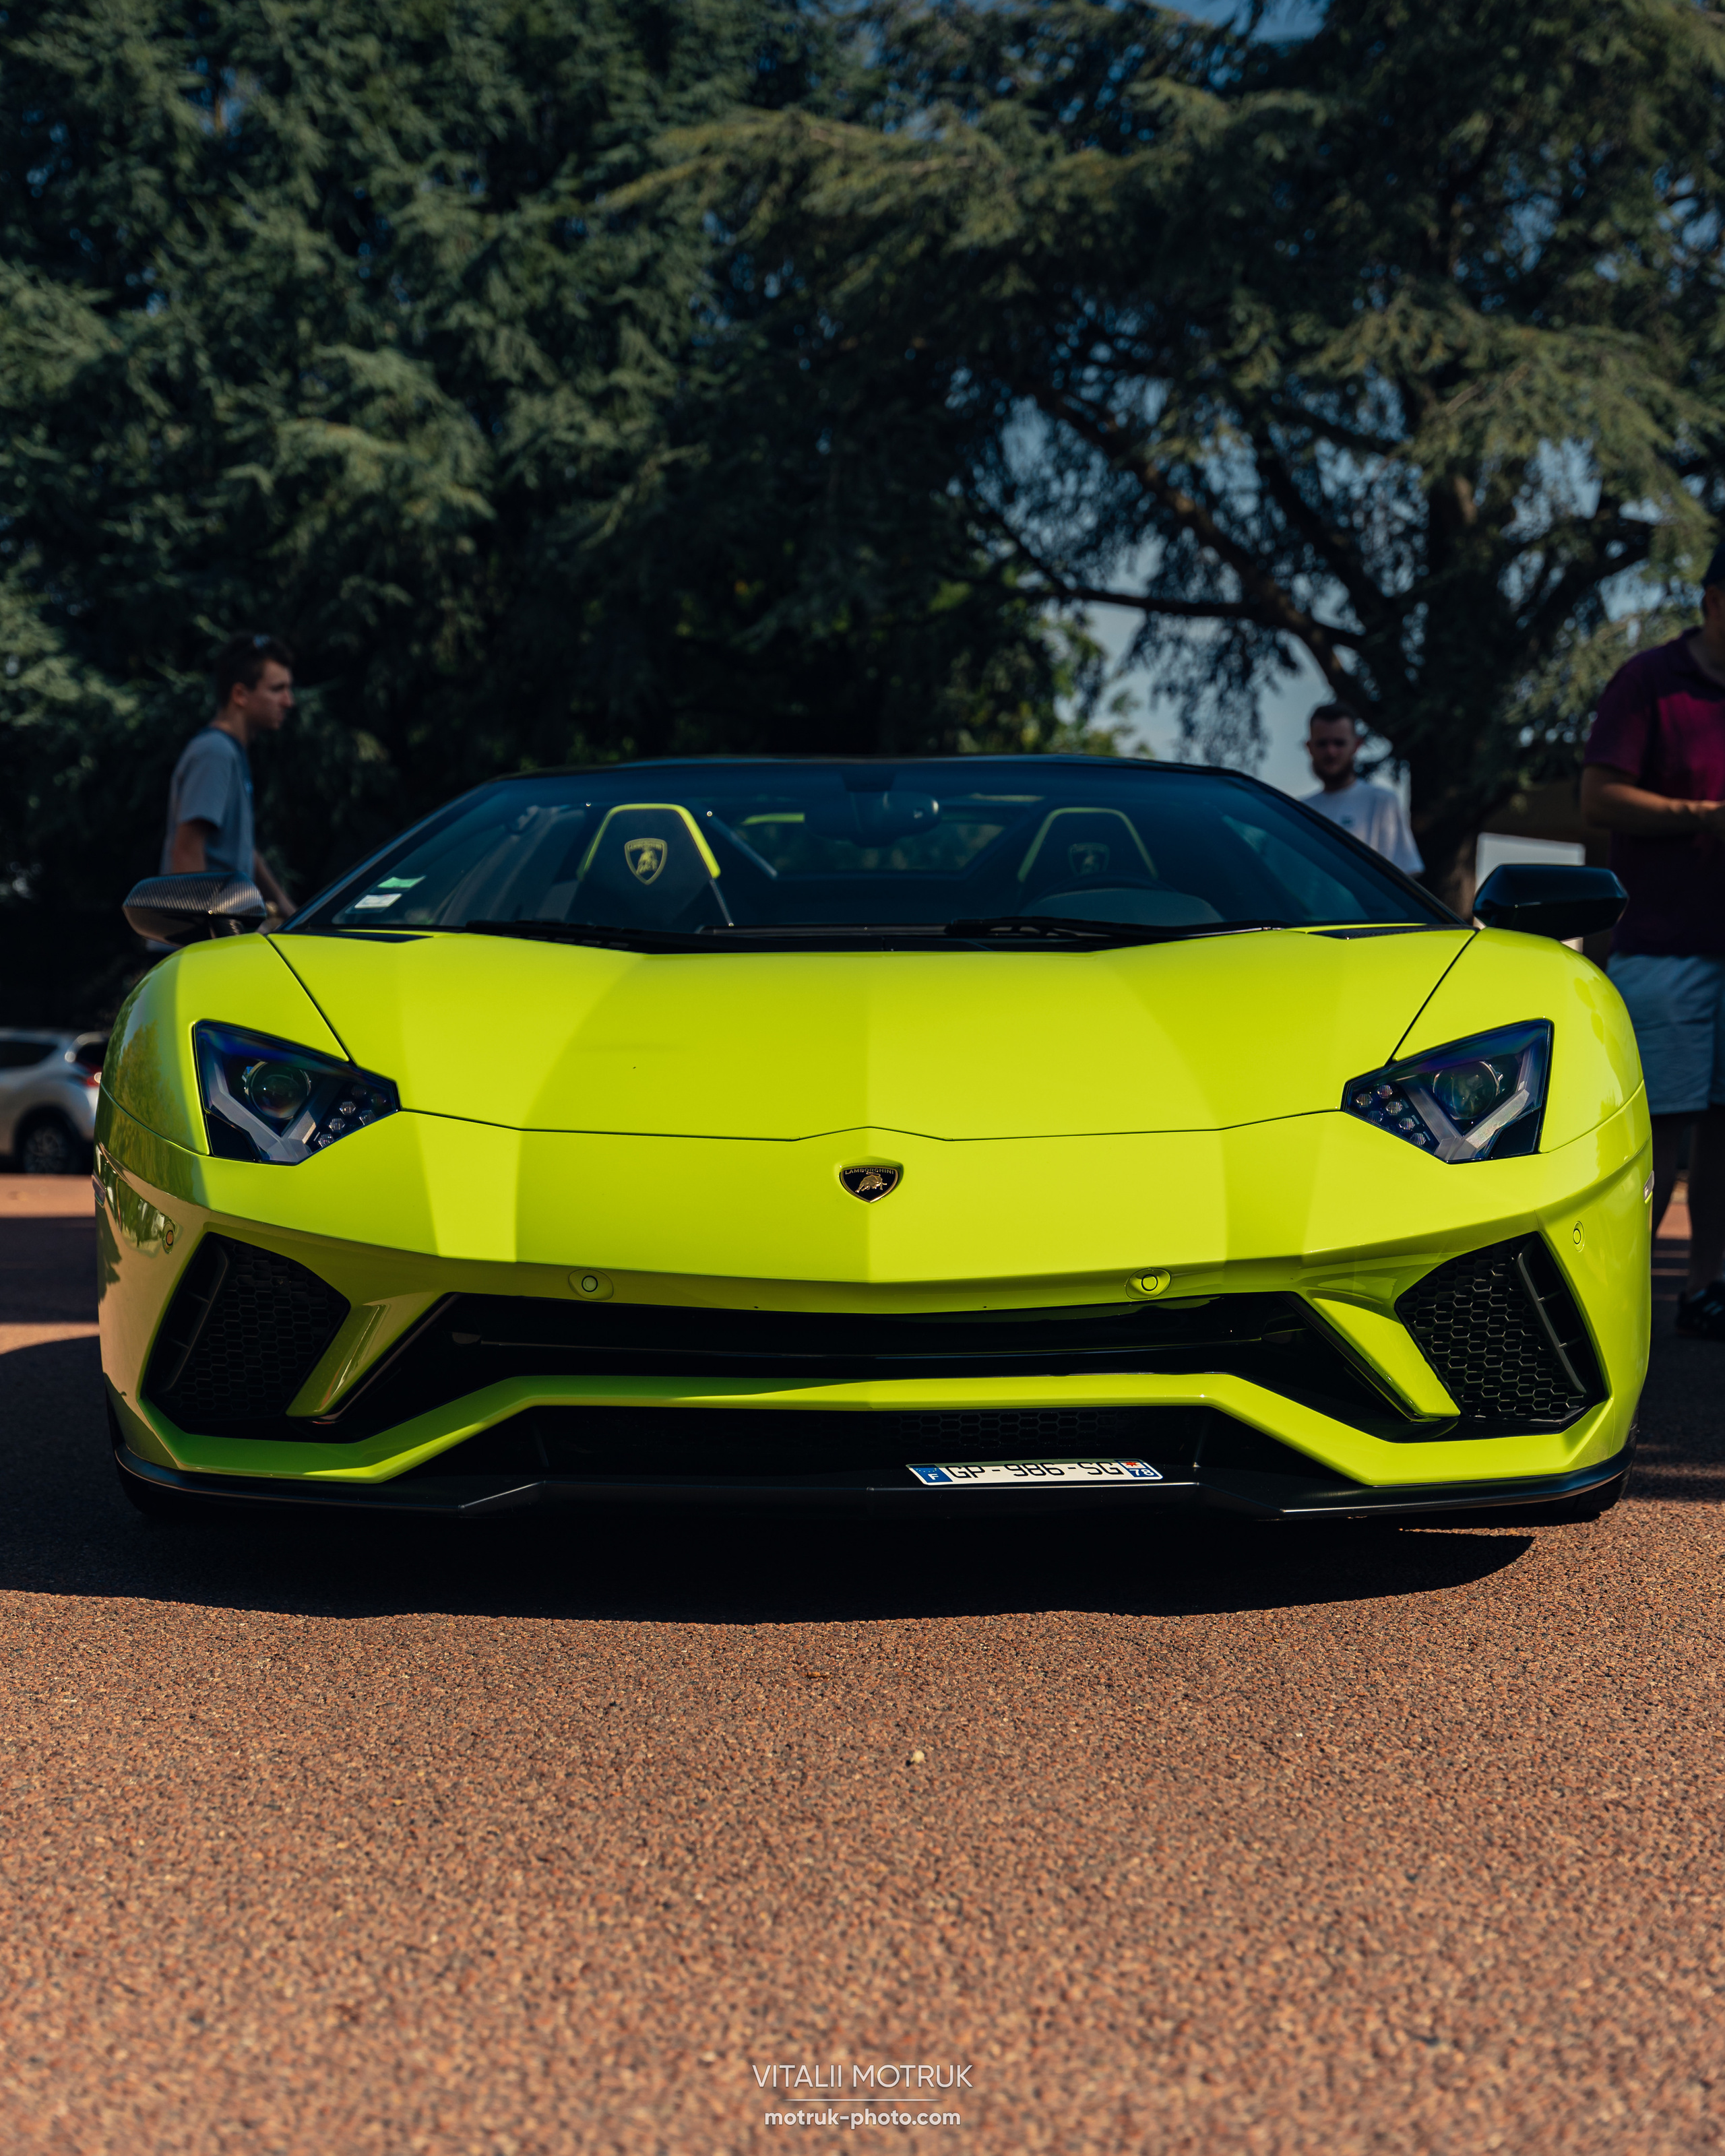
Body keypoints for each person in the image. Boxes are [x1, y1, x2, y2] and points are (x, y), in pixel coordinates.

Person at [1581, 542, 1725, 1335]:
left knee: (1724, 1124)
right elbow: (1595, 796)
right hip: (1664, 944)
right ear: (1711, 599)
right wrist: (1701, 818)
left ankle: (1706, 1285)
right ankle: (1620, 1298)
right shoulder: (1646, 680)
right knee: (1658, 1128)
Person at [162, 633, 296, 917]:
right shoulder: (215, 753)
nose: (288, 701)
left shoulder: (231, 753)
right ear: (240, 695)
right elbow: (186, 850)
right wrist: (203, 943)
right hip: (198, 951)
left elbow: (244, 849)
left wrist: (286, 909)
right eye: (277, 689)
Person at [1299, 701, 1423, 874]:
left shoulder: (1381, 802)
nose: (1331, 752)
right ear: (1309, 747)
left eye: (1339, 743)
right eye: (1322, 744)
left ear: (1357, 745)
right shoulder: (1299, 812)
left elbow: (1405, 874)